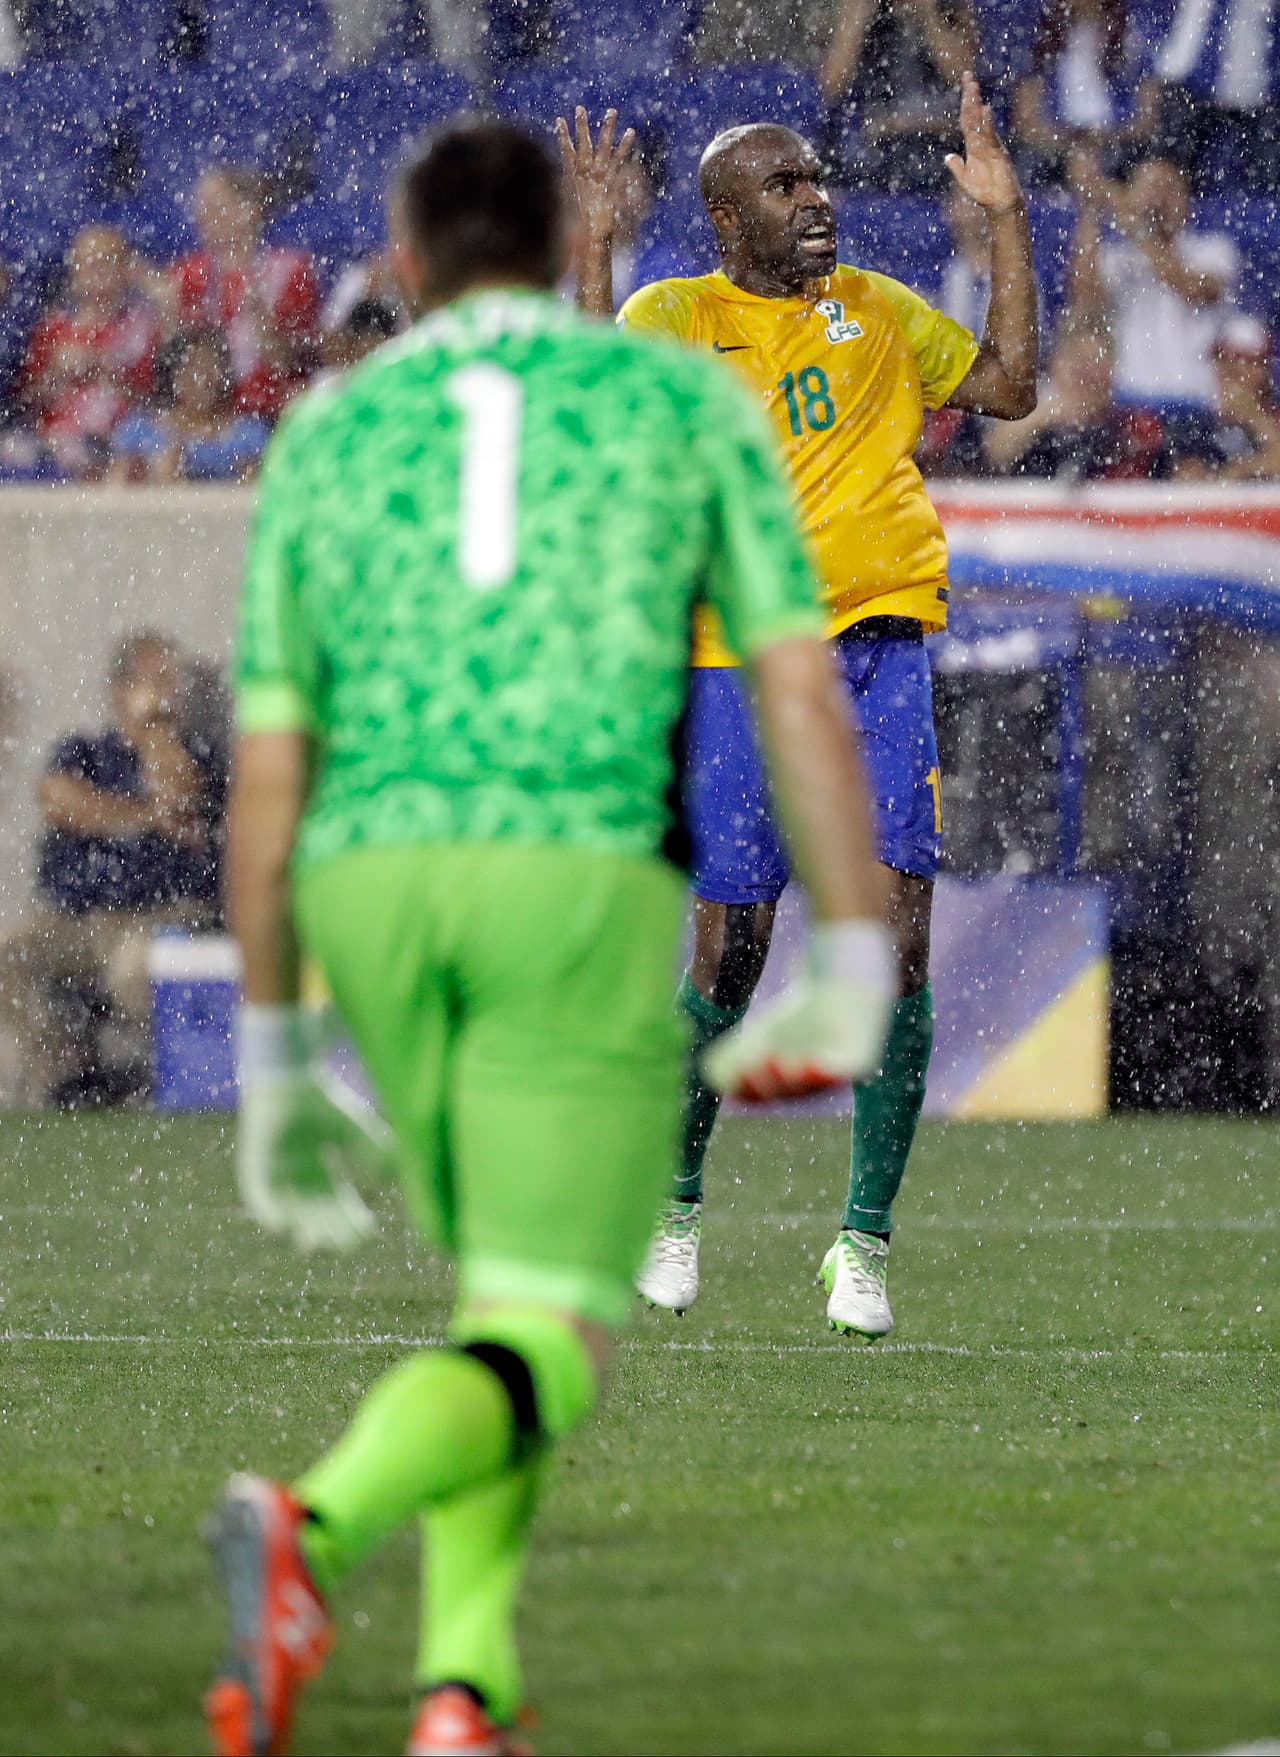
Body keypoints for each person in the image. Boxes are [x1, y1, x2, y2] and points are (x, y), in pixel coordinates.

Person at [204, 117, 894, 1757]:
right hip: (572, 877)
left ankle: (468, 1691)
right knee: (554, 1339)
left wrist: (275, 1041)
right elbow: (794, 679)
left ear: (405, 242)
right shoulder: (671, 397)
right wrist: (854, 945)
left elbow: (271, 767)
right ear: (554, 236)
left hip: (380, 888)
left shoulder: (331, 426)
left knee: (492, 1303)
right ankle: (317, 1523)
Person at [562, 74, 1038, 1337]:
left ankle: (861, 1242)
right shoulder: (674, 316)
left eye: (815, 177)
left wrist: (1002, 220)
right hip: (737, 666)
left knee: (897, 943)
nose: (813, 199)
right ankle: (669, 1205)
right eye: (782, 185)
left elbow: (1008, 386)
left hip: (879, 655)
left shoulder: (875, 312)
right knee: (732, 950)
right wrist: (594, 247)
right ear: (726, 220)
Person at [0, 632, 221, 1106]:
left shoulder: (196, 751)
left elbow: (181, 796)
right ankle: (71, 1076)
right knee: (8, 955)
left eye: (175, 679)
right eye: (159, 678)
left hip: (163, 916)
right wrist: (141, 815)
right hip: (79, 919)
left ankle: (166, 1081)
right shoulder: (84, 750)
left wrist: (155, 731)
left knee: (134, 968)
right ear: (122, 688)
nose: (172, 689)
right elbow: (61, 800)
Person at [1068, 150, 1237, 429]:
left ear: (1186, 200)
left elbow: (1192, 288)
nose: (1159, 198)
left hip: (1196, 402)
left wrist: (1132, 221)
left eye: (1169, 189)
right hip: (1128, 402)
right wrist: (1092, 207)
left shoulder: (1212, 250)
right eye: (1150, 188)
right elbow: (1086, 302)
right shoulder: (1118, 257)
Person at [172, 167, 319, 423]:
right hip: (207, 415)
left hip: (268, 411)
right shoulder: (187, 275)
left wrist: (262, 323)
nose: (203, 218)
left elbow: (292, 362)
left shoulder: (289, 270)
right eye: (200, 209)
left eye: (215, 207)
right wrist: (168, 310)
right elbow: (173, 361)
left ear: (249, 210)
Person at [18, 224, 162, 478]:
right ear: (74, 270)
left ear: (124, 270)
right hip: (55, 448)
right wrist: (56, 375)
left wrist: (109, 375)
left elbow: (155, 404)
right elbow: (27, 403)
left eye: (105, 261)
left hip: (118, 447)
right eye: (86, 261)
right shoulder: (52, 328)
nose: (95, 270)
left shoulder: (142, 327)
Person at [821, 0, 980, 193]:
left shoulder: (948, 6)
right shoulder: (865, 9)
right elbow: (832, 86)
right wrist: (860, 15)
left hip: (940, 145)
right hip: (876, 150)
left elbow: (962, 74)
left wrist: (929, 15)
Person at [983, 317, 1168, 479]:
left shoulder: (1134, 428)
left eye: (1095, 364)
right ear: (1056, 366)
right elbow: (994, 456)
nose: (1087, 377)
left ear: (1112, 370)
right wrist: (1044, 417)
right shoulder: (1037, 427)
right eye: (1078, 365)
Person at [1010, 0, 1159, 188]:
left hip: (1118, 147)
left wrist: (1103, 141)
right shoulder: (1044, 36)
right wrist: (1071, 143)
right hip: (1057, 150)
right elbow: (1026, 119)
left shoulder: (1130, 33)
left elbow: (1147, 118)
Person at [109, 328, 270, 483]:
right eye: (193, 367)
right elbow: (113, 494)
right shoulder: (139, 432)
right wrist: (152, 478)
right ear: (174, 375)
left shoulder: (250, 435)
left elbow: (262, 494)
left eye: (212, 366)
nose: (204, 378)